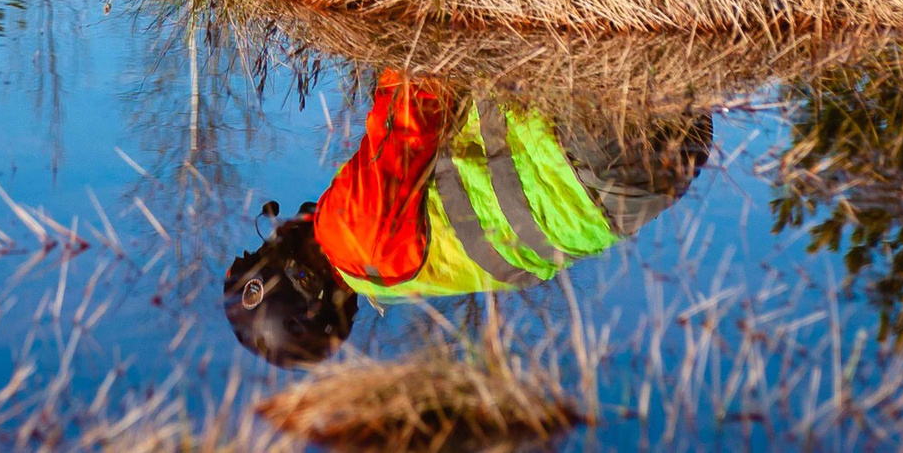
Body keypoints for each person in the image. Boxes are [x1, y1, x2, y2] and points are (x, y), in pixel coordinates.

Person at [224, 69, 710, 365]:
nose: (278, 229)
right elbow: (418, 89)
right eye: (268, 245)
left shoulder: (395, 281)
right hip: (591, 143)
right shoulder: (350, 238)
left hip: (656, 180)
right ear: (290, 275)